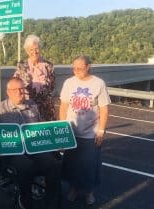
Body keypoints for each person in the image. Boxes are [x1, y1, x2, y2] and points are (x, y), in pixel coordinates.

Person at [0, 77, 61, 209]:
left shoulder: (32, 105)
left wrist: (53, 141)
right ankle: (25, 201)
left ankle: (52, 204)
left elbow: (41, 128)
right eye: (15, 90)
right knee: (26, 166)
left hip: (34, 147)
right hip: (12, 150)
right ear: (8, 92)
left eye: (22, 89)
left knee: (53, 164)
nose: (19, 92)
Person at [59, 55, 111, 205]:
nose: (76, 71)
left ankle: (89, 192)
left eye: (80, 68)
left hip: (91, 132)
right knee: (72, 163)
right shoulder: (69, 83)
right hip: (72, 131)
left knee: (90, 165)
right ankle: (74, 189)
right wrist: (63, 128)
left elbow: (104, 109)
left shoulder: (99, 83)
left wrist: (101, 130)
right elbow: (64, 106)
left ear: (88, 66)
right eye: (74, 68)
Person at [13, 34, 56, 121]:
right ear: (27, 51)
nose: (34, 52)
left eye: (36, 49)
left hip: (46, 109)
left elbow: (52, 86)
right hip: (28, 107)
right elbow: (15, 85)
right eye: (31, 49)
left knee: (46, 131)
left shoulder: (49, 66)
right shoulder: (21, 66)